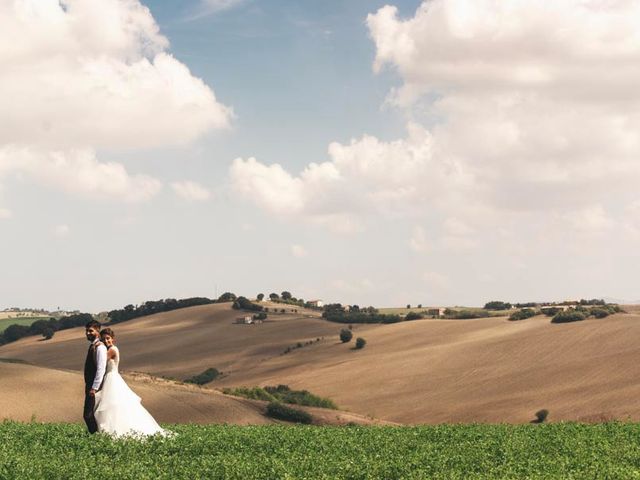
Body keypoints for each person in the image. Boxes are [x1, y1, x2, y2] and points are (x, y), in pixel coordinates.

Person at [93, 328, 169, 437]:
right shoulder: (110, 349)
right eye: (103, 339)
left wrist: (96, 348)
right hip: (110, 378)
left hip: (112, 378)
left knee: (113, 405)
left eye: (108, 338)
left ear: (113, 339)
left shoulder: (112, 350)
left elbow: (99, 362)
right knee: (113, 405)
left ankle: (114, 431)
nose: (106, 341)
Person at [83, 320, 107, 434]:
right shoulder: (93, 346)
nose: (88, 333)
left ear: (97, 331)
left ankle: (95, 436)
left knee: (88, 414)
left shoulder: (100, 347)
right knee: (91, 413)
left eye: (90, 331)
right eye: (87, 331)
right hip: (90, 385)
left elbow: (101, 369)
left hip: (94, 386)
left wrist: (95, 387)